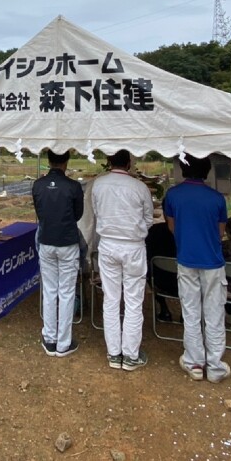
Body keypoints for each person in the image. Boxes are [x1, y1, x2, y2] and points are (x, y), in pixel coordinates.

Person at [164, 154, 230, 383]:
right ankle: (215, 366)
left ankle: (194, 363)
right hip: (212, 261)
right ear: (207, 171)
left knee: (190, 311)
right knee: (214, 313)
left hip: (186, 259)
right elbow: (221, 232)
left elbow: (172, 227)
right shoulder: (217, 198)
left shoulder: (172, 195)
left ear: (182, 169)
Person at [91, 149, 155, 371]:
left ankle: (113, 352)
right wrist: (135, 231)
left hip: (108, 244)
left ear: (109, 162)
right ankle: (130, 355)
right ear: (129, 163)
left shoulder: (99, 184)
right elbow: (148, 219)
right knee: (133, 300)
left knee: (111, 298)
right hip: (133, 246)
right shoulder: (140, 187)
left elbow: (97, 212)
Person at [31, 150, 84, 357]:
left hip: (46, 242)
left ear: (49, 161)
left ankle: (50, 337)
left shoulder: (37, 185)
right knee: (67, 292)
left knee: (50, 290)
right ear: (66, 162)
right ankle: (63, 343)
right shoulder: (73, 186)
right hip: (67, 243)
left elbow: (39, 212)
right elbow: (78, 214)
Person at [145, 220, 178, 322]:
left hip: (159, 283)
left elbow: (147, 256)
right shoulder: (187, 231)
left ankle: (164, 309)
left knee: (149, 269)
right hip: (186, 281)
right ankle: (186, 315)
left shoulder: (153, 231)